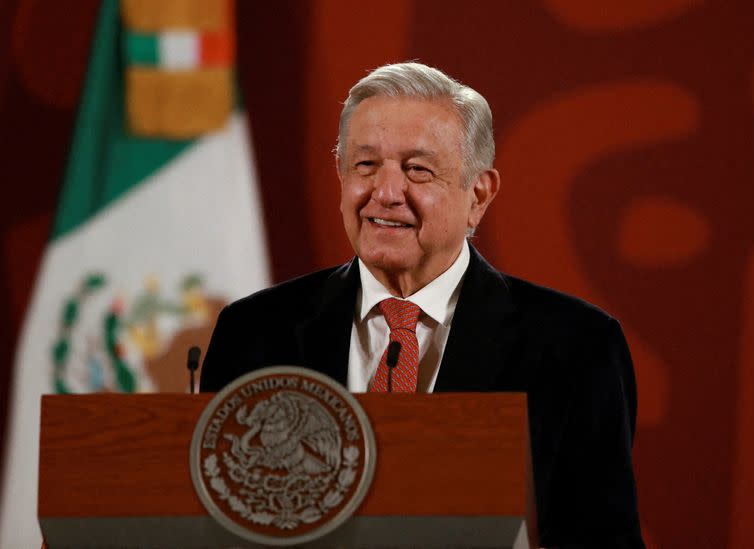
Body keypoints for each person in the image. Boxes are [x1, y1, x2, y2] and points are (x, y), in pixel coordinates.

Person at [200, 62, 644, 548]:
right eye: (365, 166)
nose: (385, 193)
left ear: (478, 194)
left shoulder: (576, 346)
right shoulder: (253, 332)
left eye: (418, 170)